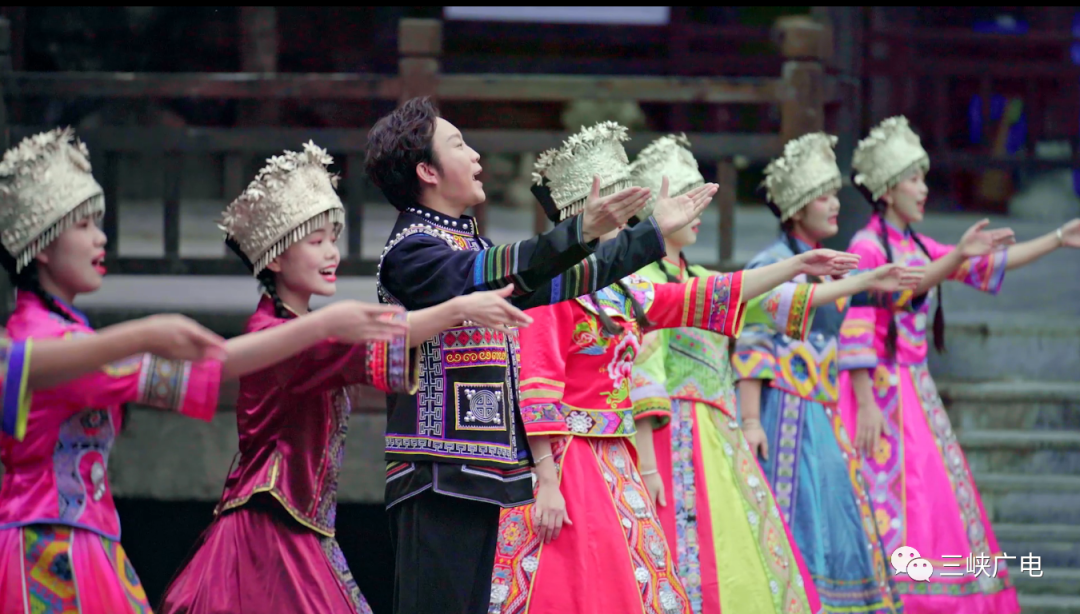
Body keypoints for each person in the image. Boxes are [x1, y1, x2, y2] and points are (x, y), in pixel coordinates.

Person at [0, 129, 415, 614]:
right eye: (83, 225)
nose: (101, 238)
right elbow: (30, 364)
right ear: (42, 244)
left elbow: (214, 367)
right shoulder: (37, 344)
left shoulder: (84, 349)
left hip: (91, 545)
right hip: (43, 550)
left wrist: (321, 325)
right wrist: (144, 334)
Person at [487, 128, 862, 614]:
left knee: (627, 575)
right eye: (620, 212)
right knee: (574, 581)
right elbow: (536, 387)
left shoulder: (622, 291)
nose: (628, 224)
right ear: (586, 216)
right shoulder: (552, 289)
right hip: (567, 459)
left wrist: (795, 267)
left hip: (613, 456)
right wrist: (549, 482)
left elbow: (707, 294)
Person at [368, 103, 714, 614]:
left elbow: (566, 281)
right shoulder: (412, 251)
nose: (476, 155)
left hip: (487, 472)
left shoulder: (467, 242)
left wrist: (648, 235)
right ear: (427, 171)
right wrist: (578, 231)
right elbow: (496, 268)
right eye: (459, 145)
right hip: (438, 472)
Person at [159, 142, 531, 614]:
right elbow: (372, 338)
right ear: (275, 258)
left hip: (301, 524)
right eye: (315, 242)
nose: (331, 253)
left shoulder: (297, 328)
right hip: (270, 527)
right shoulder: (283, 336)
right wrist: (458, 308)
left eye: (333, 239)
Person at [838, 116, 1080, 614]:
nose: (924, 189)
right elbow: (863, 320)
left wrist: (1057, 237)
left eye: (924, 178)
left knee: (932, 501)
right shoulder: (866, 246)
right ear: (887, 189)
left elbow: (986, 263)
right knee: (892, 503)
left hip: (916, 392)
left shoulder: (917, 245)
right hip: (880, 396)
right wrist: (864, 402)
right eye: (914, 179)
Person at [734, 132, 932, 614]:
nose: (835, 204)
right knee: (794, 519)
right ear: (797, 206)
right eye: (823, 196)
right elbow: (754, 346)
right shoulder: (771, 265)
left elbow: (868, 311)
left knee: (838, 521)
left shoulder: (831, 269)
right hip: (784, 416)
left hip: (822, 415)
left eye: (834, 193)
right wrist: (752, 420)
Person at [2, 315, 228, 440]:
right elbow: (18, 366)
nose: (100, 244)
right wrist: (146, 336)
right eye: (82, 227)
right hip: (40, 508)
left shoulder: (62, 332)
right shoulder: (39, 334)